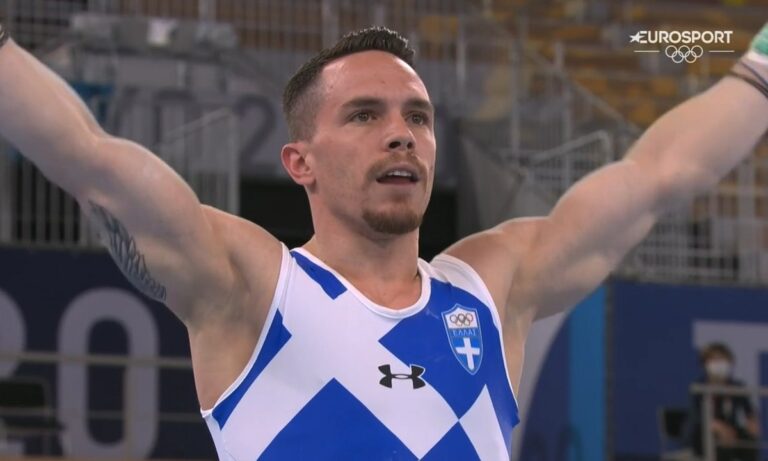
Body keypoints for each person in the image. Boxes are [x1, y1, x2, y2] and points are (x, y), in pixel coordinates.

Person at [1, 20, 767, 460]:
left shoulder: (492, 286)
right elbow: (88, 158)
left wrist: (760, 62)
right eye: (365, 114)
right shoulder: (251, 288)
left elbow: (660, 174)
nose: (401, 134)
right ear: (299, 161)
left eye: (418, 117)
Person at [689, 343, 760, 461]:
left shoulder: (736, 387)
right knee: (721, 442)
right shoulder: (699, 388)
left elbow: (749, 411)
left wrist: (752, 421)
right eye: (714, 360)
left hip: (731, 431)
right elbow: (696, 416)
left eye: (722, 360)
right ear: (705, 364)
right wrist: (717, 426)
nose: (719, 364)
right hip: (704, 433)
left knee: (748, 440)